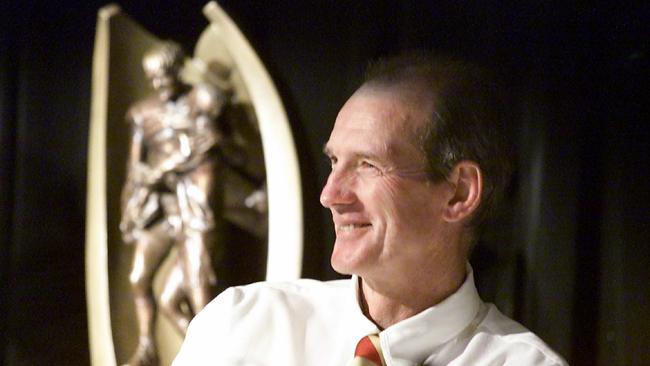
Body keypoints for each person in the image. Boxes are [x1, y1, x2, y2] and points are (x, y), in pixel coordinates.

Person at [172, 52, 568, 366]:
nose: (331, 194)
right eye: (334, 162)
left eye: (367, 165)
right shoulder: (242, 324)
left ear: (458, 194)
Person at [120, 41, 226, 366]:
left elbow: (210, 147)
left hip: (193, 208)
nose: (157, 85)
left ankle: (215, 355)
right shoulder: (142, 113)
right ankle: (147, 347)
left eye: (163, 77)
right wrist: (131, 206)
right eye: (152, 78)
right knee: (139, 278)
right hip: (161, 210)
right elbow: (133, 166)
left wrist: (165, 168)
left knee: (193, 291)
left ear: (177, 71)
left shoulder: (203, 101)